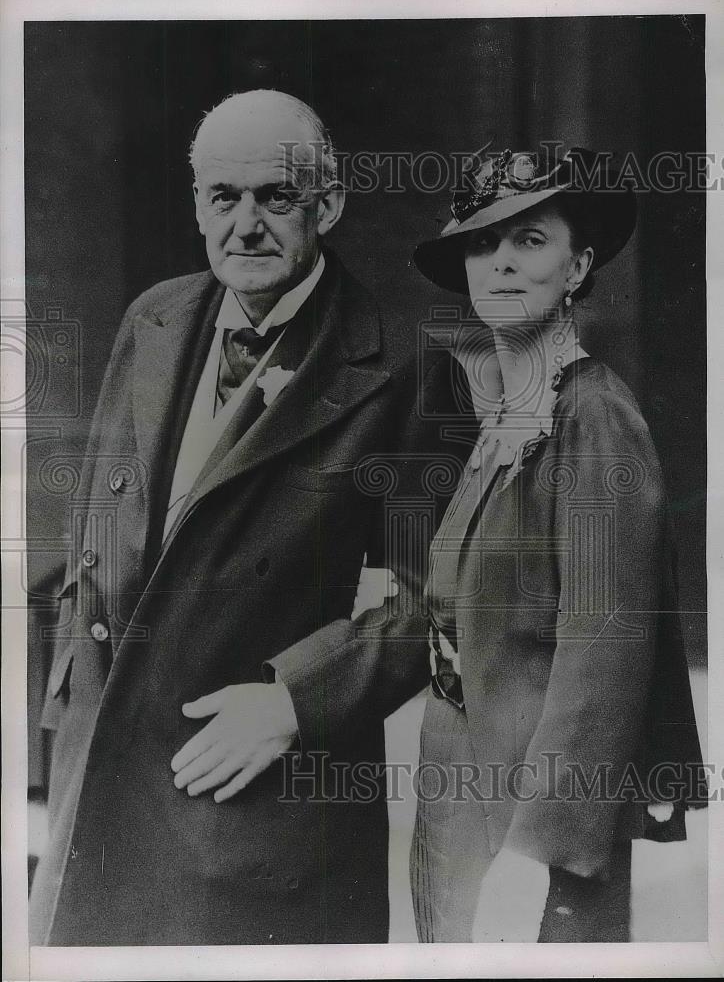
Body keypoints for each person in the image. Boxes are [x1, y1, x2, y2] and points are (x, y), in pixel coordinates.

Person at [29, 89, 465, 945]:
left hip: (258, 799)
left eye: (277, 197)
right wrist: (66, 717)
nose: (247, 225)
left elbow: (436, 600)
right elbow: (95, 527)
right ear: (197, 205)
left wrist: (296, 702)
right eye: (223, 198)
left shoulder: (405, 368)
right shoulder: (150, 320)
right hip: (103, 779)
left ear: (328, 205)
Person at [408, 144, 705, 942]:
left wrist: (539, 850)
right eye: (481, 242)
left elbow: (604, 647)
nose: (501, 262)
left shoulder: (593, 415)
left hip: (533, 823)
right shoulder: (501, 419)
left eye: (529, 241)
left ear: (577, 268)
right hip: (454, 793)